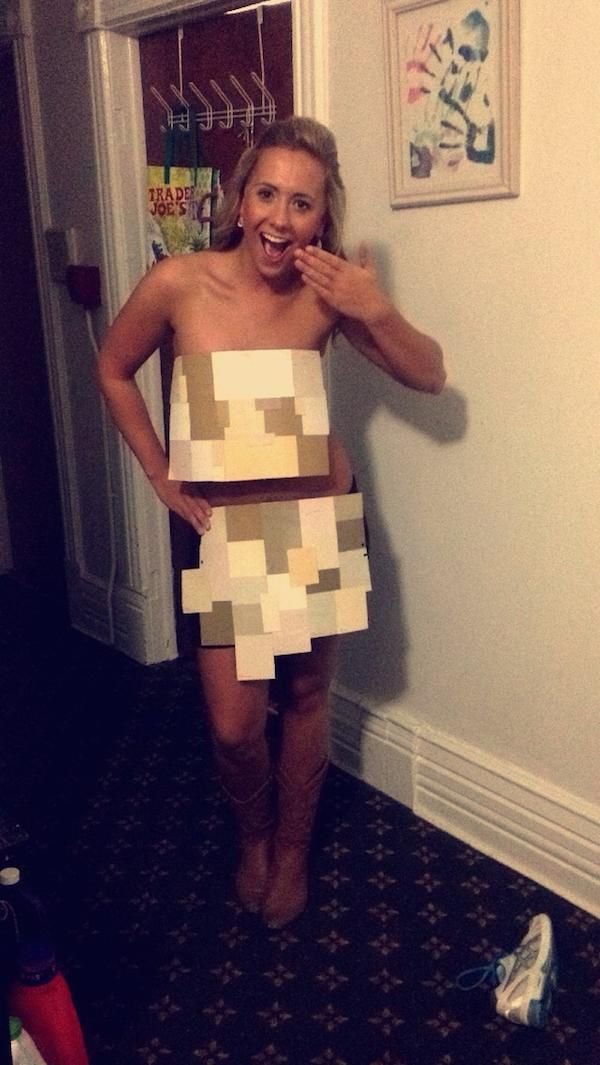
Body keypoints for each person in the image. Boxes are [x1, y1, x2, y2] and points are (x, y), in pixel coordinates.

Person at [97, 116, 445, 928]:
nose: (280, 220)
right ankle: (252, 835)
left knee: (310, 693)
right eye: (267, 194)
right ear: (240, 198)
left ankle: (290, 851)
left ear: (322, 217)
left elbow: (430, 375)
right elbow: (113, 368)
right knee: (234, 725)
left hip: (315, 517)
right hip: (226, 530)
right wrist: (159, 472)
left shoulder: (329, 293)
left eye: (301, 203)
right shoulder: (179, 283)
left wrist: (375, 308)